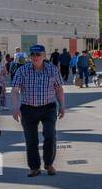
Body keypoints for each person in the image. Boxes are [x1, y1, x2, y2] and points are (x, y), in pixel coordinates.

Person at [9, 44, 66, 177]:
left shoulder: (52, 70)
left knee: (50, 135)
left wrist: (62, 106)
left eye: (38, 54)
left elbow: (59, 89)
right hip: (28, 109)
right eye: (33, 54)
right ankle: (34, 167)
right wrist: (15, 107)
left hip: (48, 108)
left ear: (44, 56)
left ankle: (48, 163)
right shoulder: (22, 70)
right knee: (31, 140)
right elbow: (15, 91)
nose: (35, 57)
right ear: (30, 56)